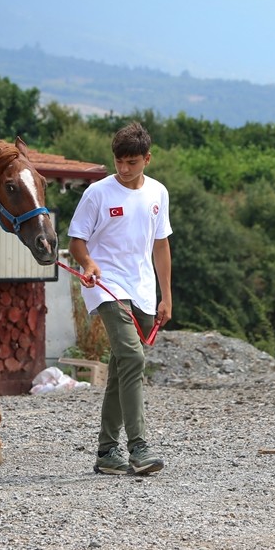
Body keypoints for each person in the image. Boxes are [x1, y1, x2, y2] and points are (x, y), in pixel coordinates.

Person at [68, 122, 173, 475]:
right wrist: (88, 263)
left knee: (120, 367)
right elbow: (77, 241)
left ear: (147, 159)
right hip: (105, 284)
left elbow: (161, 245)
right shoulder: (97, 193)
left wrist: (166, 296)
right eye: (119, 161)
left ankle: (106, 451)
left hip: (142, 290)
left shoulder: (158, 192)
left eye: (132, 162)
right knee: (132, 356)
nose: (124, 169)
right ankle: (139, 448)